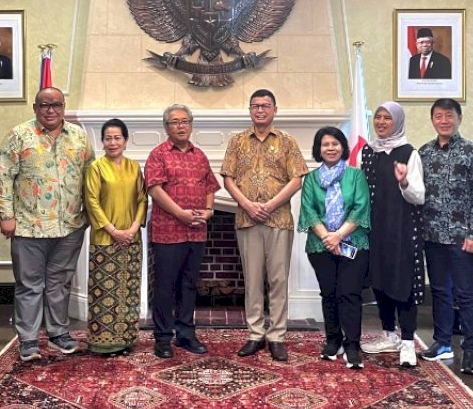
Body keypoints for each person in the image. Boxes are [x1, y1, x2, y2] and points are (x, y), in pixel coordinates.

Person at [0, 87, 95, 362]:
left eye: (56, 105)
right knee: (29, 285)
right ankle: (28, 340)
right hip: (29, 226)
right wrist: (6, 215)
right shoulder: (19, 135)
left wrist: (91, 214)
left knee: (60, 283)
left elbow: (90, 176)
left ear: (63, 107)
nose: (51, 110)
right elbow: (3, 177)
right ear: (35, 108)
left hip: (70, 225)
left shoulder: (79, 136)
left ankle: (58, 333)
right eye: (44, 105)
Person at [221, 89, 308, 362]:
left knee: (278, 280)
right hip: (247, 219)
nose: (260, 110)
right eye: (255, 106)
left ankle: (277, 336)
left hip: (278, 220)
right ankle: (255, 333)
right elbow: (228, 179)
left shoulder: (287, 141)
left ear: (274, 110)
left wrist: (269, 205)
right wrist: (247, 204)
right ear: (250, 110)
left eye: (265, 105)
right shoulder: (237, 141)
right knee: (252, 279)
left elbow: (297, 179)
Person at [145, 104, 220, 359]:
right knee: (165, 286)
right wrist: (180, 214)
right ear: (166, 127)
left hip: (196, 232)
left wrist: (208, 211)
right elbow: (155, 190)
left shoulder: (200, 156)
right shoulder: (158, 155)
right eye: (175, 122)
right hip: (168, 232)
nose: (181, 126)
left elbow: (210, 186)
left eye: (185, 121)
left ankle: (186, 334)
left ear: (191, 125)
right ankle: (163, 338)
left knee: (189, 285)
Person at [418, 99, 473, 374]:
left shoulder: (471, 151)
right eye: (438, 116)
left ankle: (471, 349)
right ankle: (442, 342)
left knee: (465, 294)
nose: (444, 120)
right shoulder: (423, 152)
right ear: (432, 120)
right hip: (432, 235)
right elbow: (416, 193)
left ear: (459, 118)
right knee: (439, 291)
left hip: (461, 237)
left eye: (449, 115)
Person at [359, 101, 425, 368]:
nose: (381, 122)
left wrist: (404, 181)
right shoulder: (368, 151)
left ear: (397, 122)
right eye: (378, 117)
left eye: (387, 118)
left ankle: (408, 341)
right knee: (380, 279)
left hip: (401, 228)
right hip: (374, 227)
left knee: (402, 282)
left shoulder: (409, 153)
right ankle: (389, 334)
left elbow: (419, 197)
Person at [298, 127, 370, 369]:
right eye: (325, 144)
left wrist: (338, 236)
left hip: (353, 242)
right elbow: (309, 211)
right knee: (328, 293)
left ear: (343, 147)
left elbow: (360, 208)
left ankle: (352, 344)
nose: (331, 148)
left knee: (349, 293)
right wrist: (328, 238)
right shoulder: (311, 179)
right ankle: (333, 340)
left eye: (335, 143)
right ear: (319, 149)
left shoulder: (356, 176)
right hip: (321, 246)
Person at [84, 118, 148, 356]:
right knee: (105, 293)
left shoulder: (134, 167)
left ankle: (126, 339)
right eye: (108, 138)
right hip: (105, 239)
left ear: (125, 140)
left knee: (128, 291)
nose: (113, 142)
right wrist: (113, 231)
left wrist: (132, 229)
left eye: (117, 138)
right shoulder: (96, 168)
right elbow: (91, 201)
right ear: (102, 142)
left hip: (131, 240)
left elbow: (142, 199)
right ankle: (103, 342)